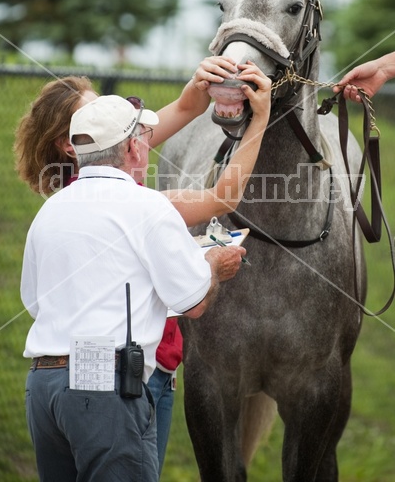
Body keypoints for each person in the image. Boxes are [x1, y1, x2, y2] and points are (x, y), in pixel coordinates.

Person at [15, 57, 271, 475]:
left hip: (44, 385)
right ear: (131, 146)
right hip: (114, 382)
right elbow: (194, 299)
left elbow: (35, 304)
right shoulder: (145, 205)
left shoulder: (52, 210)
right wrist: (210, 265)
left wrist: (193, 93)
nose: (146, 137)